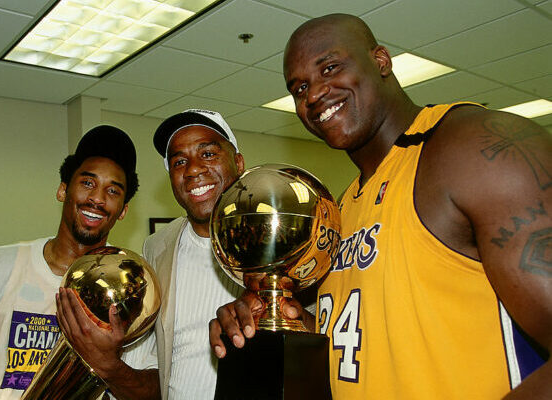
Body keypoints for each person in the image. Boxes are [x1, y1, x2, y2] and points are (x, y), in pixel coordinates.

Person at [210, 14, 551, 399]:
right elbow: (368, 340)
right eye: (300, 87)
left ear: (382, 60)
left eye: (330, 67)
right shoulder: (339, 207)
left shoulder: (474, 148)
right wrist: (263, 324)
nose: (314, 94)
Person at [0, 125, 140, 400]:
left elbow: (148, 386)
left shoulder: (127, 294)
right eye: (87, 183)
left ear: (123, 211)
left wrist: (109, 363)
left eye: (113, 191)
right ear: (62, 190)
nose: (97, 198)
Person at [60, 109, 246, 400]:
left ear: (238, 162)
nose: (194, 169)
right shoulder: (157, 248)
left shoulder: (277, 238)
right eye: (179, 161)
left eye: (208, 154)